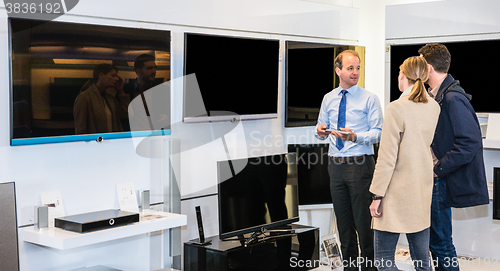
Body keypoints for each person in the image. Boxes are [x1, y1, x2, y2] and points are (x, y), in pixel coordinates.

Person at [418, 43, 489, 271]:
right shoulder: (436, 95)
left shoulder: (452, 99)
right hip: (437, 179)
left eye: (419, 63)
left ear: (428, 68)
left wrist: (438, 168)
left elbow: (469, 143)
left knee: (441, 245)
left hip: (441, 179)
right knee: (437, 244)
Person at [369, 56, 440, 271]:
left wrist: (376, 195)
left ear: (403, 75)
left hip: (395, 193)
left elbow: (387, 157)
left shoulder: (396, 108)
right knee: (422, 263)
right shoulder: (434, 107)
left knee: (383, 261)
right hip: (420, 191)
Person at [315, 49, 383, 271]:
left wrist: (355, 136)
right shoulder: (328, 98)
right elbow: (319, 129)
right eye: (350, 68)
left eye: (358, 68)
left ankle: (369, 268)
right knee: (344, 225)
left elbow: (378, 132)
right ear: (338, 70)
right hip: (335, 165)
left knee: (364, 224)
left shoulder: (370, 98)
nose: (355, 73)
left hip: (360, 164)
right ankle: (350, 268)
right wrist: (321, 131)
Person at [73, 64, 130, 134]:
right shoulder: (84, 97)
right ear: (101, 75)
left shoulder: (109, 98)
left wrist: (121, 91)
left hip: (111, 142)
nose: (117, 79)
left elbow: (126, 114)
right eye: (113, 75)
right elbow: (80, 129)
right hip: (95, 143)